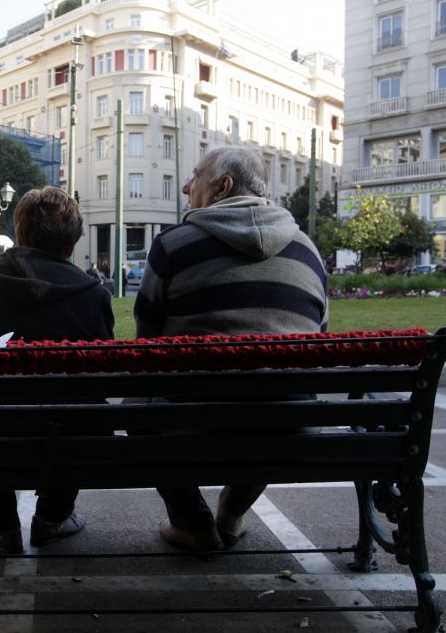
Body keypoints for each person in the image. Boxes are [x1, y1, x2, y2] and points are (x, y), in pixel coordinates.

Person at [134, 146, 328, 551]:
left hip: (191, 420)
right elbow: (318, 338)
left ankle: (193, 523)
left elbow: (147, 342)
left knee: (140, 413)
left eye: (195, 176)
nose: (187, 186)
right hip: (288, 424)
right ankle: (232, 513)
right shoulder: (309, 252)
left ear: (222, 186)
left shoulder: (173, 245)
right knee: (277, 397)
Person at [0, 186, 114, 553]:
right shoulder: (93, 294)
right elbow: (103, 375)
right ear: (71, 245)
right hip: (64, 437)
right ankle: (53, 517)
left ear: (19, 232)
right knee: (84, 412)